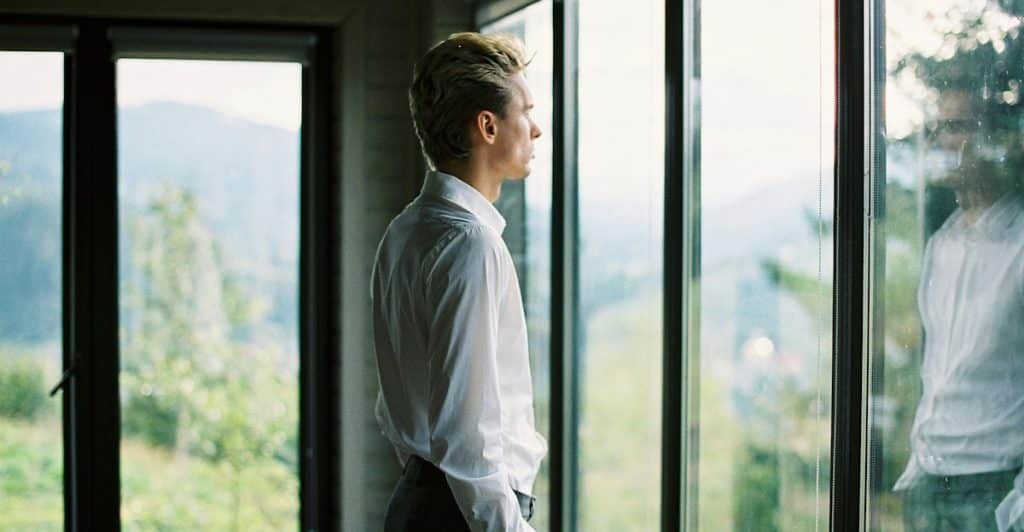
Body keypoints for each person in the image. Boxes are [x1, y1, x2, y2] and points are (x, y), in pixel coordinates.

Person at [371, 32, 547, 532]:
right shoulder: (472, 244)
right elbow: (467, 437)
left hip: (426, 500)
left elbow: (396, 409)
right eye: (526, 111)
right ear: (487, 126)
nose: (536, 129)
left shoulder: (406, 229)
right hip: (462, 516)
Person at [895, 88, 1024, 532]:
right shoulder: (942, 245)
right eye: (936, 129)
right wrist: (917, 467)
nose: (943, 142)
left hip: (995, 489)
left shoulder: (1020, 244)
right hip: (929, 482)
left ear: (997, 139)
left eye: (958, 126)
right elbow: (940, 366)